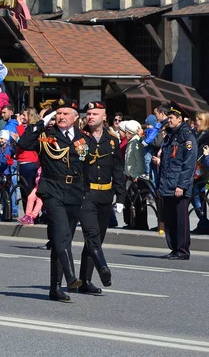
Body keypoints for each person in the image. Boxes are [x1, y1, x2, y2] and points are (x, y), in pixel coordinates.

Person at [18, 95, 87, 302]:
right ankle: (70, 276)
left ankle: (55, 288)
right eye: (58, 114)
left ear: (75, 117)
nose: (61, 117)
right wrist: (41, 122)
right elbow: (24, 142)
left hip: (74, 191)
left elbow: (88, 167)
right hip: (52, 190)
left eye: (66, 113)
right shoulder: (47, 135)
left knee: (64, 238)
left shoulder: (82, 138)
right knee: (59, 232)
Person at [78, 101, 126, 294]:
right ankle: (103, 268)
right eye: (88, 113)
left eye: (95, 113)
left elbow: (118, 171)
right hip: (86, 195)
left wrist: (121, 198)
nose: (91, 117)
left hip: (105, 195)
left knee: (96, 239)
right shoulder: (80, 139)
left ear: (104, 117)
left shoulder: (112, 140)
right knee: (92, 235)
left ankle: (84, 281)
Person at [157, 101, 197, 260]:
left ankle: (183, 250)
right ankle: (174, 248)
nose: (169, 120)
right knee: (170, 219)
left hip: (179, 186)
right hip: (167, 184)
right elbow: (166, 162)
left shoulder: (186, 137)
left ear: (180, 120)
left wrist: (181, 185)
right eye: (169, 117)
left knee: (181, 220)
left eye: (172, 117)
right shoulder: (170, 136)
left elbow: (188, 164)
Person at [190, 111, 209, 234]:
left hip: (200, 169)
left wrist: (192, 132)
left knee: (197, 196)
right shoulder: (201, 133)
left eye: (198, 120)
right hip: (198, 168)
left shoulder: (205, 133)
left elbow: (193, 143)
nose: (196, 122)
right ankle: (203, 222)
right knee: (197, 196)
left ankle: (204, 222)